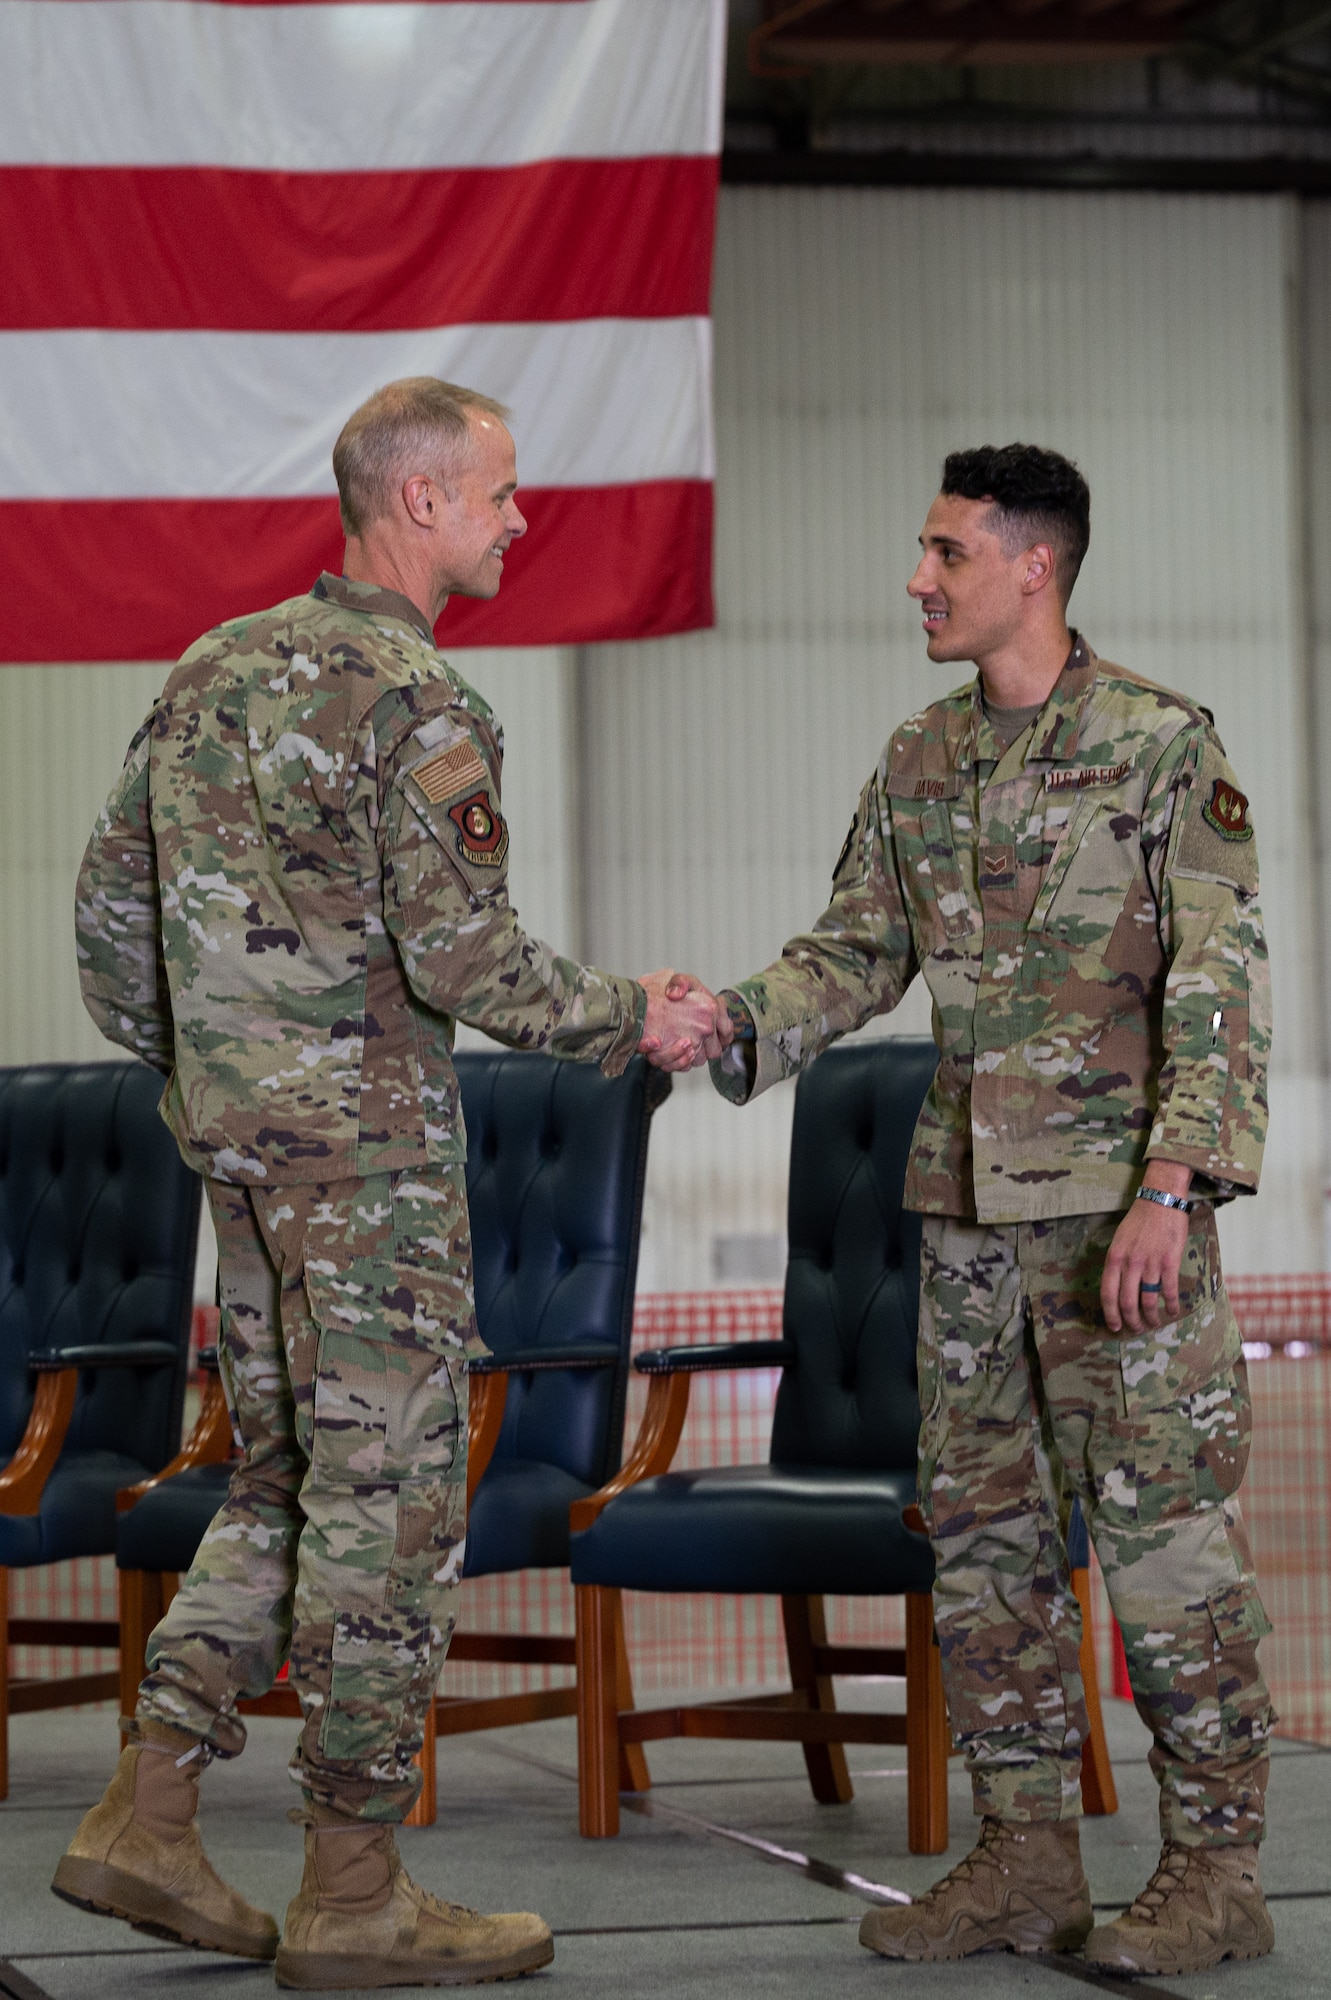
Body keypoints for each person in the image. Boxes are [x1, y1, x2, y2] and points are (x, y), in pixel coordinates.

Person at [56, 377, 726, 1990]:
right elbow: (469, 956)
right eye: (499, 490)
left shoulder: (209, 670)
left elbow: (105, 926)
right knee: (395, 1504)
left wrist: (219, 1074)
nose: (518, 518)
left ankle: (146, 1814)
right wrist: (631, 1018)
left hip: (241, 1154)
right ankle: (354, 1889)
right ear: (417, 502)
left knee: (286, 1482)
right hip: (367, 1174)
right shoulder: (416, 698)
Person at [709, 444, 1274, 1977]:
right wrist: (726, 1025)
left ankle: (1216, 1873)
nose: (919, 579)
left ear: (1035, 565)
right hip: (961, 1235)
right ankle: (1028, 1864)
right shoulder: (918, 762)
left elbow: (1220, 987)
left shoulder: (1165, 750)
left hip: (1117, 1235)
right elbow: (848, 954)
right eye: (926, 550)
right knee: (985, 1559)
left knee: (1166, 1556)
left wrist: (1175, 1188)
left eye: (945, 552)